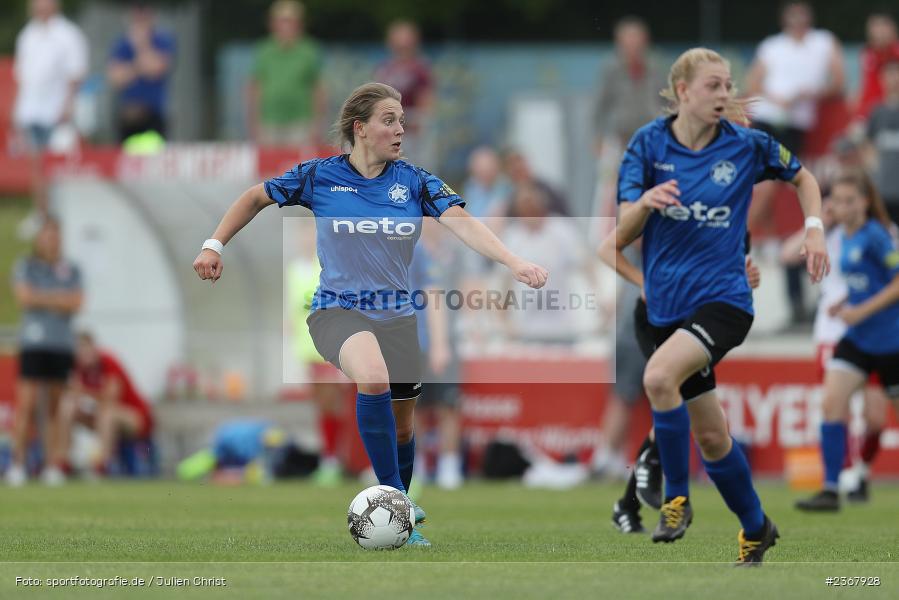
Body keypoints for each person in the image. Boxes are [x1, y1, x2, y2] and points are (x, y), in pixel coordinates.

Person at [193, 82, 548, 547]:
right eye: (388, 120)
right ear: (360, 129)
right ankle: (397, 503)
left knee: (403, 425)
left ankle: (400, 512)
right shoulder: (319, 176)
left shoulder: (415, 181)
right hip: (336, 312)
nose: (399, 129)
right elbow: (255, 197)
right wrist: (213, 244)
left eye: (401, 121)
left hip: (398, 319)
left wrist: (513, 261)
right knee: (374, 377)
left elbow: (462, 221)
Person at [603, 48, 828, 564]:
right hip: (665, 309)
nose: (724, 95)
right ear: (683, 91)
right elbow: (620, 233)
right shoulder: (647, 144)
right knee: (710, 433)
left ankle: (676, 499)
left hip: (725, 301)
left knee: (659, 378)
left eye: (728, 85)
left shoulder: (746, 145)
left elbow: (805, 179)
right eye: (713, 86)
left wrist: (814, 231)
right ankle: (756, 527)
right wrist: (645, 204)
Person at [602, 235, 762, 534]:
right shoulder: (675, 204)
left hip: (697, 325)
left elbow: (733, 263)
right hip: (660, 322)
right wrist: (646, 280)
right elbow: (614, 246)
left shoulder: (729, 211)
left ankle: (629, 502)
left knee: (696, 424)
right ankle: (654, 492)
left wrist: (744, 277)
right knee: (673, 400)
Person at [796, 170, 899, 512]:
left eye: (849, 200)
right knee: (830, 404)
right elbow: (862, 282)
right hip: (857, 339)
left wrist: (862, 310)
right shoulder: (844, 237)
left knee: (877, 419)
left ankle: (856, 477)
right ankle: (830, 489)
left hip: (891, 343)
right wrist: (846, 305)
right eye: (837, 200)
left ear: (865, 202)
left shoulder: (876, 236)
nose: (841, 206)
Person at [745, 0, 843, 324]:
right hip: (769, 118)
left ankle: (746, 236)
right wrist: (778, 98)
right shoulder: (772, 46)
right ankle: (745, 237)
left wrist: (807, 93)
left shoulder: (823, 41)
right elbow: (753, 83)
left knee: (780, 183)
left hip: (796, 123)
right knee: (766, 186)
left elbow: (838, 83)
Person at [6, 217, 83, 487]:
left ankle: (51, 465)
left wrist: (44, 297)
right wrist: (56, 298)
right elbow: (25, 298)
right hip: (33, 343)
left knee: (53, 408)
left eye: (56, 235)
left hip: (61, 344)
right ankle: (17, 464)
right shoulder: (26, 266)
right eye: (47, 235)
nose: (52, 240)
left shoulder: (71, 269)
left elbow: (76, 303)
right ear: (39, 239)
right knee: (26, 405)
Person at [12, 0, 88, 236]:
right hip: (32, 111)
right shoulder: (27, 35)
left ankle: (62, 216)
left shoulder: (68, 35)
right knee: (37, 166)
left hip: (57, 113)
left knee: (61, 166)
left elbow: (75, 73)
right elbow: (23, 77)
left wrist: (67, 106)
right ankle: (41, 215)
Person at [592, 16, 667, 220]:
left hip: (651, 136)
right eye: (628, 42)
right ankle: (611, 232)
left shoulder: (654, 65)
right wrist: (598, 137)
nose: (633, 47)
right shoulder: (611, 69)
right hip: (619, 138)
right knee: (611, 188)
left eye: (637, 41)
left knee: (653, 183)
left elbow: (666, 99)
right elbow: (600, 105)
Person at [64, 332, 155, 476]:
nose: (83, 354)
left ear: (94, 348)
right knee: (68, 407)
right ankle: (64, 462)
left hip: (135, 418)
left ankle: (102, 466)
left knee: (107, 413)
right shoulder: (78, 368)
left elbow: (110, 397)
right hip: (103, 419)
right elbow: (74, 395)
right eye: (79, 351)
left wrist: (82, 391)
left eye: (85, 349)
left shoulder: (108, 361)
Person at [247, 0, 325, 146]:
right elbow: (255, 88)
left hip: (301, 122)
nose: (286, 26)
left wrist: (316, 125)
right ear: (273, 23)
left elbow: (318, 89)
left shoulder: (309, 51)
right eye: (282, 21)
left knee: (300, 167)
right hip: (268, 122)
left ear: (299, 24)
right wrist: (254, 123)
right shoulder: (263, 50)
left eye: (290, 21)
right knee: (269, 167)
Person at [107, 2, 176, 142]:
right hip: (128, 117)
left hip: (153, 116)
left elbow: (157, 69)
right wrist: (141, 66)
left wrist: (140, 45)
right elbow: (116, 78)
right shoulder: (122, 44)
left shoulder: (163, 40)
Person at [374, 20, 435, 169]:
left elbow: (426, 102)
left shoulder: (420, 69)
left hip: (412, 133)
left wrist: (419, 125)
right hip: (388, 132)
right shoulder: (385, 69)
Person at [865, 59, 899, 225]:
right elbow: (869, 148)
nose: (894, 79)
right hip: (883, 191)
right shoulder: (877, 112)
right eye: (889, 74)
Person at [856, 13, 899, 122]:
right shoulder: (867, 53)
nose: (879, 33)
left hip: (891, 109)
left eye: (882, 29)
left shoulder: (895, 52)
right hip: (868, 111)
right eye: (875, 29)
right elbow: (865, 85)